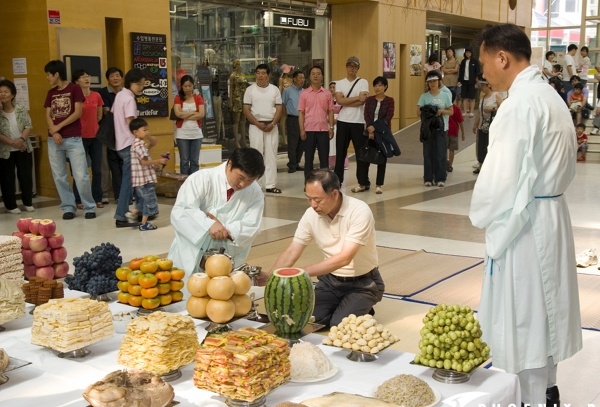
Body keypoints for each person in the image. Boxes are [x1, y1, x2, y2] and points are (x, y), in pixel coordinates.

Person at [469, 24, 582, 407]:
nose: (483, 73)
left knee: (528, 318)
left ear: (502, 58)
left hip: (527, 221)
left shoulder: (519, 105)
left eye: (484, 63)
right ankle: (547, 389)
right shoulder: (547, 96)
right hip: (547, 212)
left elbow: (500, 177)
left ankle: (531, 398)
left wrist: (482, 213)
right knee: (543, 316)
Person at [257, 169, 384, 328]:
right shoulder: (310, 214)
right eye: (309, 199)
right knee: (307, 320)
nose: (313, 205)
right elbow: (292, 251)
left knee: (339, 325)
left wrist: (299, 273)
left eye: (317, 200)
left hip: (363, 283)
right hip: (330, 282)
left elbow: (345, 258)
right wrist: (272, 275)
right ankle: (350, 306)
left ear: (335, 194)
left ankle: (363, 304)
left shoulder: (359, 211)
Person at [168, 147, 265, 274]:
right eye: (240, 177)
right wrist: (208, 224)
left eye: (250, 180)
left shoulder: (255, 191)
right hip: (189, 253)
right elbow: (182, 211)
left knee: (220, 289)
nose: (243, 184)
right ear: (230, 164)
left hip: (224, 258)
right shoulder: (201, 179)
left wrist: (225, 229)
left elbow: (251, 225)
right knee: (186, 289)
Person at [43, 60, 96, 220]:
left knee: (81, 175)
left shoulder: (74, 89)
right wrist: (54, 130)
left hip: (73, 138)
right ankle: (68, 207)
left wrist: (58, 128)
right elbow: (48, 114)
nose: (47, 78)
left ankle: (89, 207)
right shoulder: (51, 93)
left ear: (56, 74)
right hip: (54, 140)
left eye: (48, 74)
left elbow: (77, 112)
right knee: (59, 175)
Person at [112, 68, 146, 228]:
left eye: (142, 84)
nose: (140, 87)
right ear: (130, 83)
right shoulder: (130, 100)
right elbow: (131, 123)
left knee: (133, 180)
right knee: (129, 181)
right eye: (138, 84)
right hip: (129, 144)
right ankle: (121, 216)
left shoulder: (120, 95)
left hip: (120, 142)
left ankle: (138, 213)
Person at [243, 63, 283, 194]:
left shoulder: (274, 89)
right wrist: (257, 123)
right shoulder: (250, 90)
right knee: (256, 155)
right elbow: (246, 110)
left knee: (271, 155)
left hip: (271, 125)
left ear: (268, 75)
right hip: (256, 126)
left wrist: (273, 123)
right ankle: (255, 185)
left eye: (263, 73)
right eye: (258, 73)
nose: (260, 75)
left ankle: (271, 184)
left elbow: (279, 109)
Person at [124, 118, 168, 231]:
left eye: (147, 129)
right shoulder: (139, 145)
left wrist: (148, 138)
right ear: (135, 132)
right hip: (144, 179)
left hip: (140, 180)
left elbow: (152, 144)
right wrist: (158, 161)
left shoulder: (138, 144)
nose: (147, 132)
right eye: (144, 130)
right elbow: (143, 162)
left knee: (144, 200)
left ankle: (132, 213)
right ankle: (144, 224)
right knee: (149, 201)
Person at [354, 76, 394, 194]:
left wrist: (375, 129)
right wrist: (370, 128)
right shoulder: (370, 100)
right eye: (376, 85)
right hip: (368, 132)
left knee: (381, 158)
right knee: (364, 158)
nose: (378, 88)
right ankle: (362, 184)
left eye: (380, 85)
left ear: (385, 86)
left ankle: (378, 185)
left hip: (383, 133)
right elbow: (367, 115)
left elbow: (388, 117)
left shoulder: (390, 100)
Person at [334, 56, 369, 188]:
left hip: (358, 121)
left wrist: (347, 100)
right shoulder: (340, 83)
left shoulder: (363, 82)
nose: (351, 68)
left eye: (354, 66)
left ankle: (363, 181)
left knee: (361, 153)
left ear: (358, 68)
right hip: (343, 121)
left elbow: (363, 100)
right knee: (340, 152)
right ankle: (337, 180)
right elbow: (340, 101)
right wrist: (356, 99)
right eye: (349, 65)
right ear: (346, 67)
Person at [0, 79, 34, 214]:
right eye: (0, 92)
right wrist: (12, 143)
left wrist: (21, 140)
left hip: (23, 147)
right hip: (5, 150)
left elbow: (28, 125)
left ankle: (28, 202)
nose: (2, 94)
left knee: (25, 176)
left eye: (6, 92)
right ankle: (11, 205)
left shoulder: (20, 108)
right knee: (7, 178)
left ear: (13, 94)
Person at [71, 69, 104, 209]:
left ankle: (97, 198)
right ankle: (78, 199)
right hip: (79, 138)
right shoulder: (74, 97)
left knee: (97, 169)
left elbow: (99, 116)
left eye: (87, 76)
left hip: (95, 137)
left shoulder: (96, 95)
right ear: (76, 81)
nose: (86, 79)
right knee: (80, 170)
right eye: (82, 77)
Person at [417, 70, 453, 187]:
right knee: (427, 153)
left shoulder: (445, 95)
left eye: (434, 81)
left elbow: (451, 111)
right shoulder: (424, 96)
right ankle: (428, 178)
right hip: (427, 129)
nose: (432, 84)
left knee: (440, 153)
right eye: (430, 81)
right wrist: (427, 110)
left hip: (441, 128)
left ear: (439, 82)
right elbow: (418, 112)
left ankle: (440, 178)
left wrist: (441, 111)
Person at [299, 66, 334, 178]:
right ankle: (308, 182)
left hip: (323, 129)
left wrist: (331, 127)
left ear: (322, 76)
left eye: (318, 73)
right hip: (309, 130)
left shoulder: (327, 93)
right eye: (313, 73)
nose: (315, 76)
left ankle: (325, 183)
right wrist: (302, 129)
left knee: (324, 159)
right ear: (309, 76)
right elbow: (301, 113)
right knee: (308, 158)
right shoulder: (304, 94)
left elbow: (330, 111)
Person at [99, 67, 124, 205]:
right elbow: (106, 114)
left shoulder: (126, 93)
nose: (115, 78)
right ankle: (105, 193)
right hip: (106, 133)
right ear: (108, 78)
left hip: (123, 134)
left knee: (122, 164)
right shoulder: (102, 93)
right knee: (104, 164)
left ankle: (121, 193)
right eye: (112, 76)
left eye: (118, 75)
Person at [174, 75, 204, 175]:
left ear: (193, 86)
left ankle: (194, 183)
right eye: (185, 86)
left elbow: (202, 114)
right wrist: (195, 113)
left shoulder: (198, 98)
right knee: (184, 161)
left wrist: (184, 115)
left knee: (195, 161)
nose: (188, 88)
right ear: (181, 86)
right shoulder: (178, 98)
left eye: (190, 86)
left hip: (196, 134)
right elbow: (178, 114)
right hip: (182, 134)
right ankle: (184, 183)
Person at [472, 75, 502, 175]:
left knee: (490, 145)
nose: (481, 88)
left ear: (488, 85)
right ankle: (481, 165)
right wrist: (476, 124)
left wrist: (493, 109)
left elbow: (504, 109)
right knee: (481, 146)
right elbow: (479, 113)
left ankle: (489, 167)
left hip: (492, 125)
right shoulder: (482, 98)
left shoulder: (496, 96)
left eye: (483, 86)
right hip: (482, 125)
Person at [282, 70, 305, 173]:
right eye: (300, 78)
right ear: (294, 79)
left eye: (303, 78)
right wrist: (286, 116)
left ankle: (297, 163)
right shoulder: (287, 91)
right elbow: (283, 105)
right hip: (292, 118)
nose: (302, 80)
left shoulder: (305, 92)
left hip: (303, 119)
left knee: (301, 142)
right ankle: (291, 164)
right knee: (293, 142)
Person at [327, 82, 348, 170]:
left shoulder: (342, 99)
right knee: (330, 143)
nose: (332, 89)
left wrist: (337, 119)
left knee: (340, 142)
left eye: (334, 87)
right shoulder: (326, 99)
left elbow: (345, 110)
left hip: (340, 121)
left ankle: (343, 163)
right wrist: (328, 119)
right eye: (331, 87)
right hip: (328, 122)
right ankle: (331, 163)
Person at [229, 60, 248, 149]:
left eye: (240, 65)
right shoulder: (233, 76)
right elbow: (231, 89)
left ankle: (243, 140)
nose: (240, 66)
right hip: (237, 98)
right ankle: (236, 141)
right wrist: (231, 101)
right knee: (236, 121)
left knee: (243, 121)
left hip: (244, 97)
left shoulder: (242, 75)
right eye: (238, 65)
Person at [458, 47, 480, 117]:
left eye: (469, 52)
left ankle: (471, 112)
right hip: (464, 81)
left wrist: (477, 82)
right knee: (464, 97)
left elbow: (477, 72)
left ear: (471, 53)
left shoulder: (475, 61)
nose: (468, 54)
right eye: (467, 52)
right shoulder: (463, 61)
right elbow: (461, 72)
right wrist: (459, 80)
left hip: (472, 82)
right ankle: (465, 111)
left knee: (472, 97)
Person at [447, 90, 464, 173]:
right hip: (454, 131)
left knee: (443, 149)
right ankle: (450, 165)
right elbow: (460, 121)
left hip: (445, 130)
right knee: (452, 149)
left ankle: (443, 164)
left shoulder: (444, 107)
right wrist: (463, 133)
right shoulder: (456, 108)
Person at [278, 64, 294, 146]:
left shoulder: (291, 80)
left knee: (289, 119)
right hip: (283, 100)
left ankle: (289, 137)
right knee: (283, 119)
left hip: (290, 100)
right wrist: (279, 100)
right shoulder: (281, 79)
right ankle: (284, 138)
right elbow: (280, 88)